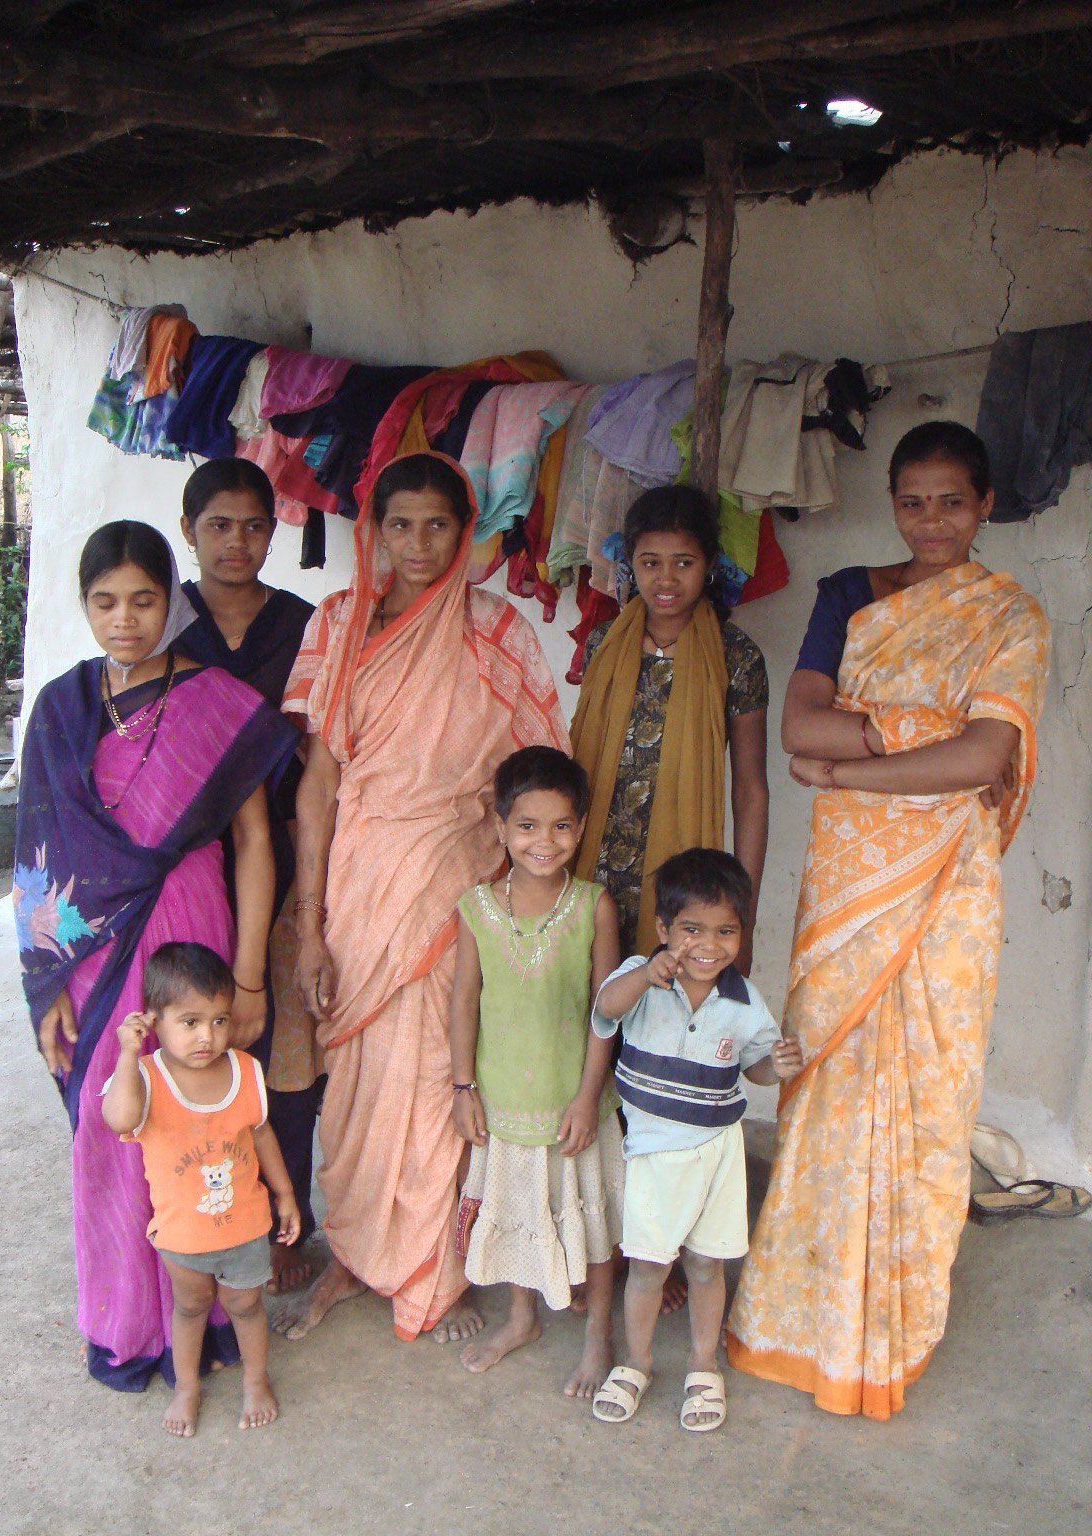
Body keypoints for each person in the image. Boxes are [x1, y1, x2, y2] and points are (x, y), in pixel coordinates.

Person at [726, 421, 1051, 1420]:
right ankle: (798, 1320)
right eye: (915, 500)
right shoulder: (846, 597)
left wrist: (848, 764)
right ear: (895, 505)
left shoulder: (1011, 618)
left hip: (946, 889)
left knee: (924, 1095)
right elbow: (798, 726)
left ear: (986, 503)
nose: (934, 520)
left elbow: (984, 760)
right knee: (824, 1076)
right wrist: (905, 744)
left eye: (954, 500)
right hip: (849, 889)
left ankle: (892, 1331)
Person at [275, 451, 570, 1344]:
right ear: (373, 530)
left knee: (439, 1077)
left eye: (438, 524)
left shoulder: (495, 627)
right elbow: (320, 782)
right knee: (358, 1083)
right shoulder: (338, 622)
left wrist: (517, 885)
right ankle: (354, 1257)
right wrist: (310, 916)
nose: (417, 543)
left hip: (454, 875)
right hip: (361, 880)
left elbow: (539, 766)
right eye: (398, 524)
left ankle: (433, 1268)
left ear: (466, 530)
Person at [15, 519, 298, 1390]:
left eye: (143, 600)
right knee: (115, 1125)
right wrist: (49, 983)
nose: (125, 620)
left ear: (169, 600)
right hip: (93, 956)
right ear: (85, 606)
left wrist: (247, 976)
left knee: (203, 1124)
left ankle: (213, 1312)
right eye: (105, 602)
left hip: (191, 931)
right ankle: (126, 1322)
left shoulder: (218, 704)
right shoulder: (62, 710)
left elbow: (255, 843)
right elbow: (39, 858)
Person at [590, 849, 800, 1433]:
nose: (709, 945)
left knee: (708, 1265)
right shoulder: (641, 978)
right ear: (664, 930)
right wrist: (645, 973)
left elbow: (752, 1068)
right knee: (650, 1269)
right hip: (656, 1152)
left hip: (718, 1151)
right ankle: (636, 1363)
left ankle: (704, 1366)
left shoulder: (743, 1001)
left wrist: (774, 1068)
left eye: (726, 930)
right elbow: (604, 1009)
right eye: (692, 929)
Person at [176, 457, 321, 1294]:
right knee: (200, 1044)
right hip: (191, 865)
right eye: (220, 525)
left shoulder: (303, 623)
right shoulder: (167, 623)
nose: (238, 542)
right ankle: (202, 1218)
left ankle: (281, 1216)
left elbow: (321, 747)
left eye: (256, 525)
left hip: (285, 853)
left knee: (283, 1055)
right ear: (190, 527)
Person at [449, 746, 623, 1395]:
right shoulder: (476, 909)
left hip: (574, 1105)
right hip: (503, 1103)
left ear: (579, 828)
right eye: (526, 825)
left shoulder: (592, 907)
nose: (543, 842)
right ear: (500, 827)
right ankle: (521, 1318)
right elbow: (464, 999)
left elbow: (604, 1012)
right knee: (519, 1209)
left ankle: (599, 1334)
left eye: (560, 826)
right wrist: (463, 1086)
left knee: (593, 1220)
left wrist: (586, 1096)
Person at [102, 943, 300, 1436]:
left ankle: (256, 1379)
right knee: (189, 1308)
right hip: (182, 1239)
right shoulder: (146, 1079)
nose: (206, 1036)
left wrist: (286, 1194)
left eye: (218, 1020)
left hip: (247, 1230)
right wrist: (129, 1054)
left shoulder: (246, 1071)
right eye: (189, 1022)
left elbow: (260, 1133)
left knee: (246, 1307)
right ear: (154, 1021)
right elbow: (119, 1120)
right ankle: (187, 1386)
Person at [571, 485, 768, 973]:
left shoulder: (735, 656)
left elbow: (750, 791)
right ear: (630, 564)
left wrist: (741, 912)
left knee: (663, 1009)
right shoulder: (604, 642)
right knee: (580, 1003)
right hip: (592, 861)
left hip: (677, 871)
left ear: (710, 565)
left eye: (684, 562)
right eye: (650, 561)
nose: (666, 579)